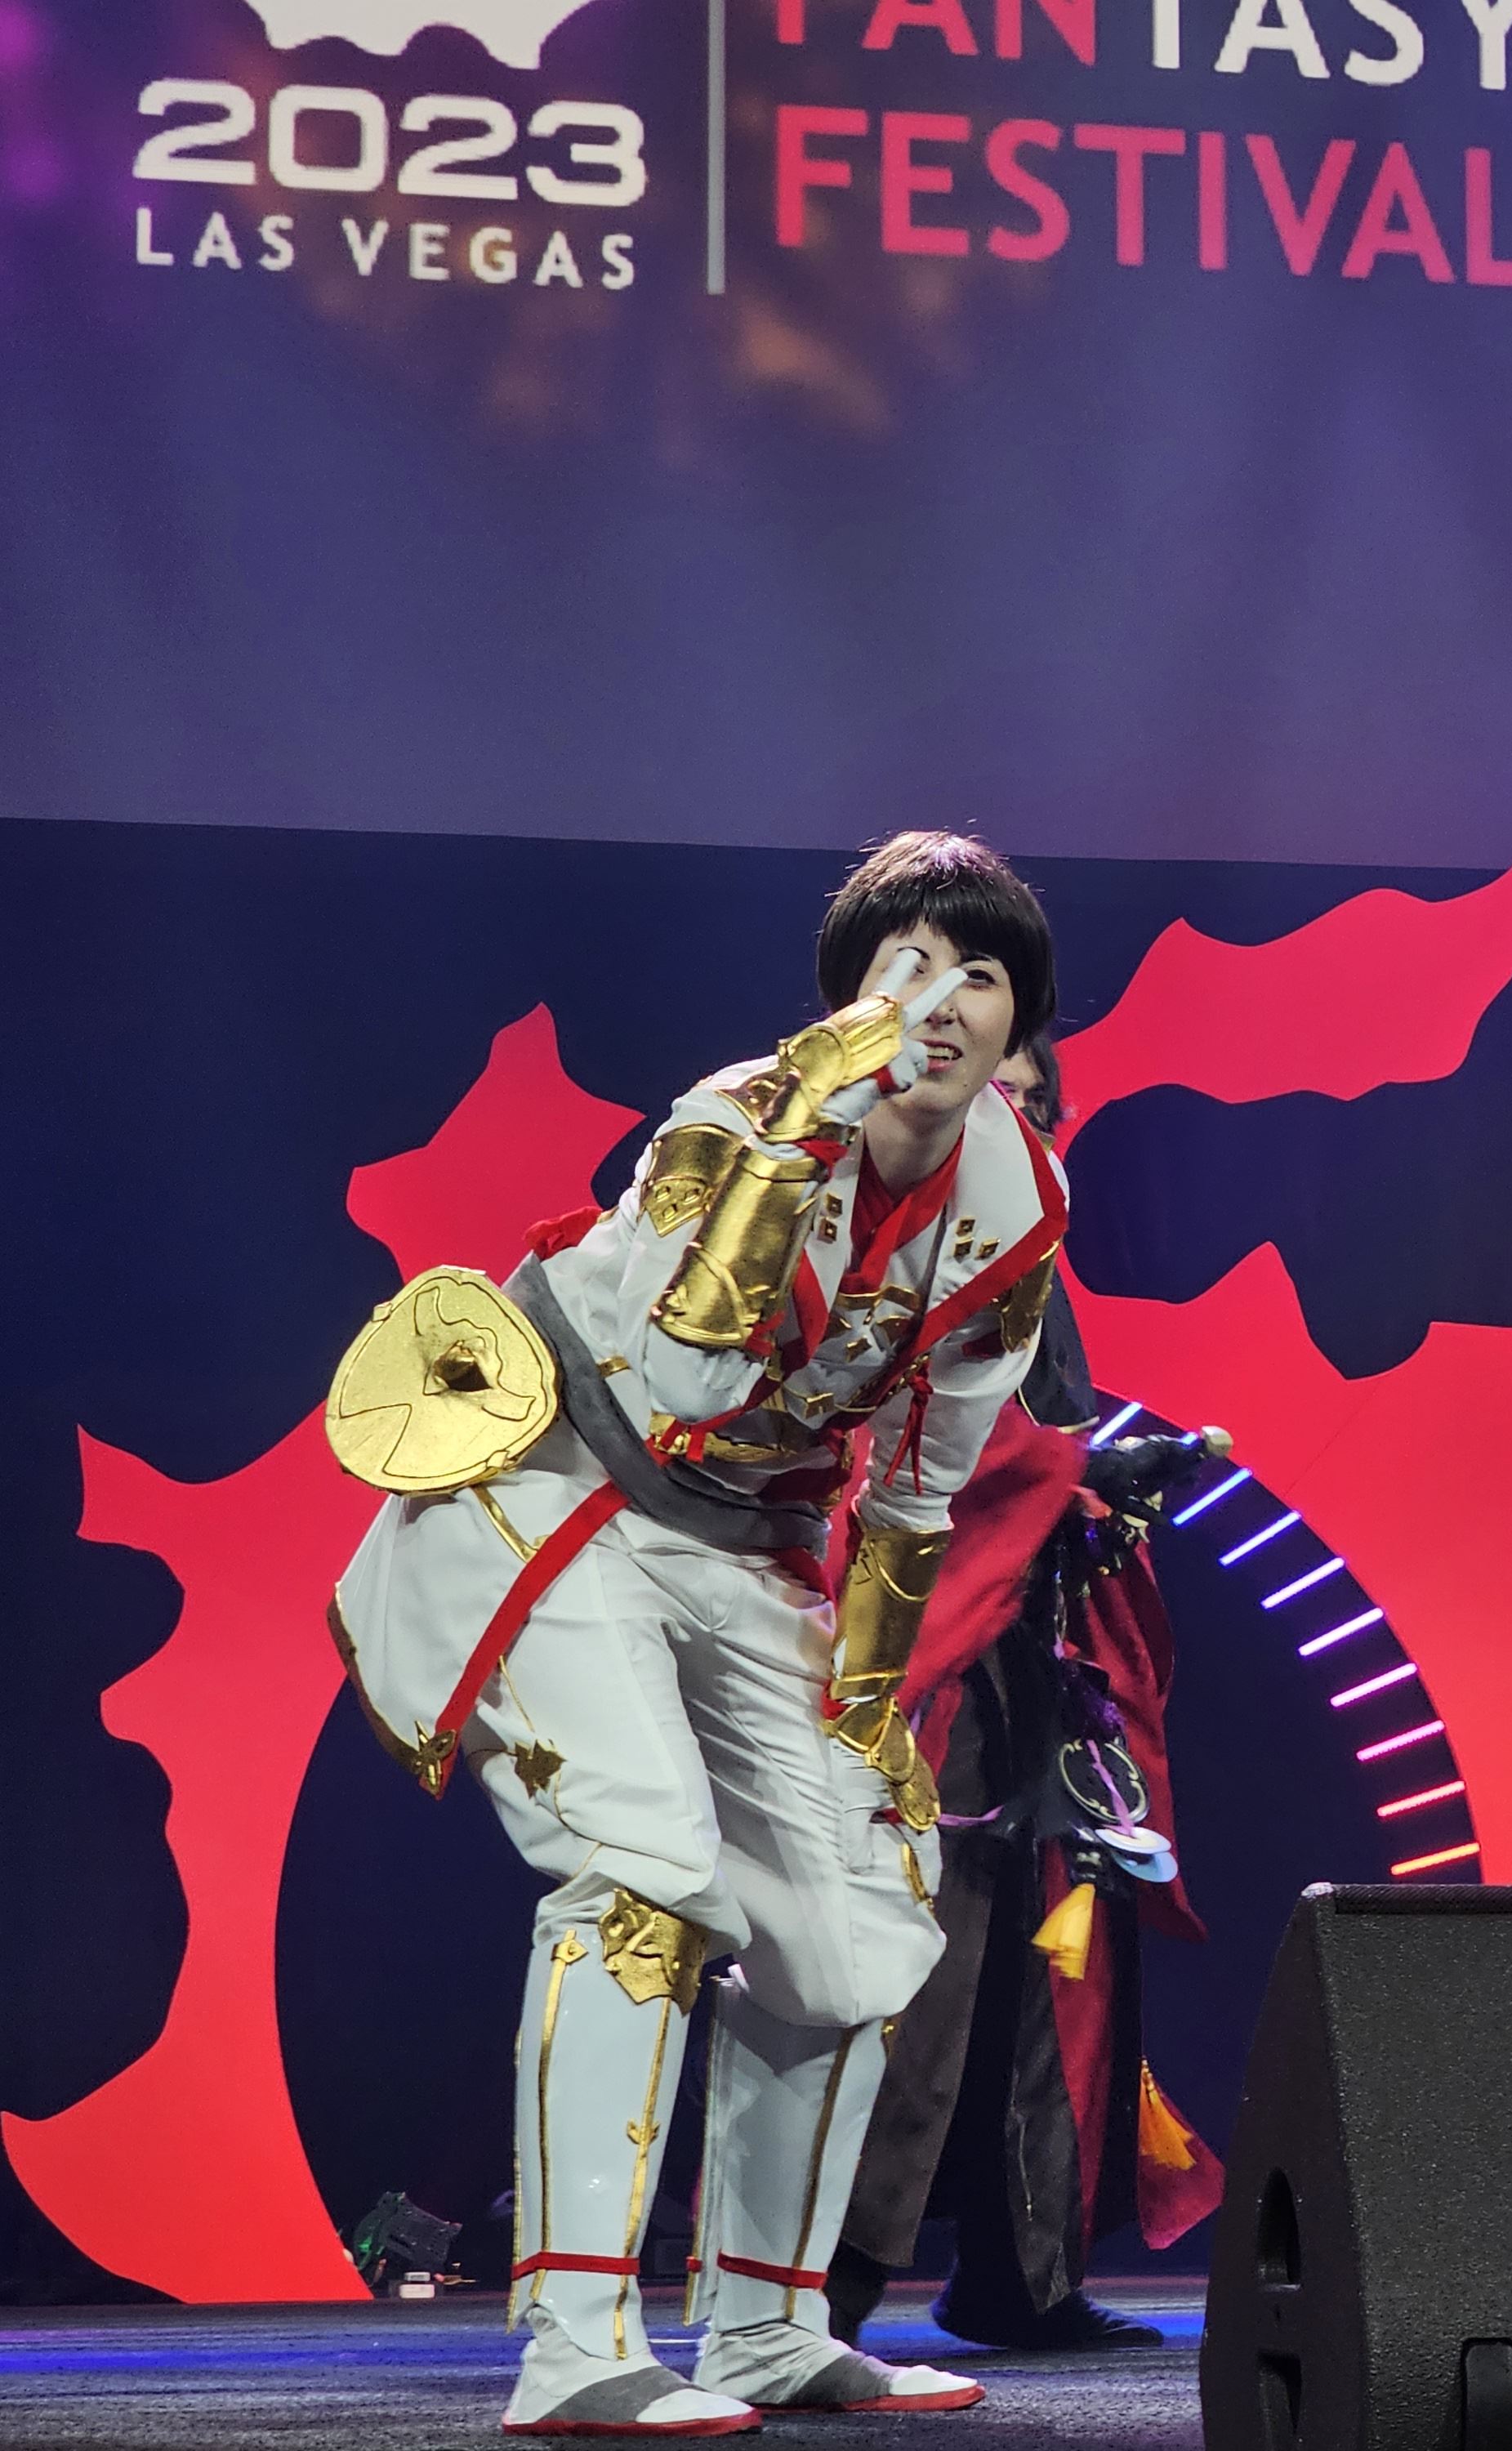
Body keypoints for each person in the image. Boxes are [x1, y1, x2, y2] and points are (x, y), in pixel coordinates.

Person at [326, 833, 1068, 2435]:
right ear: (850, 994)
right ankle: (575, 2349)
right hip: (563, 1482)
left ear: (1023, 1020)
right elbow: (683, 1385)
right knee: (647, 1872)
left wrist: (866, 1712)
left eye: (982, 974)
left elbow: (921, 1484)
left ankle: (767, 2330)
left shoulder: (1015, 1206)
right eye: (906, 967)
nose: (943, 1002)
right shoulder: (731, 1123)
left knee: (857, 1907)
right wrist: (796, 1134)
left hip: (752, 1541)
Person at [829, 1035, 1224, 2356]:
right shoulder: (885, 1241)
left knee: (1046, 1949)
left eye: (1041, 1105)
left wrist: (1101, 1479)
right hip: (912, 1644)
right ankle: (813, 2287)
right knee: (915, 1955)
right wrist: (1075, 1477)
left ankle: (1022, 2272)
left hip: (1027, 1639)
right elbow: (897, 1438)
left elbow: (1037, 1438)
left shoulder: (1034, 1263)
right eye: (1001, 1098)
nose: (1023, 1122)